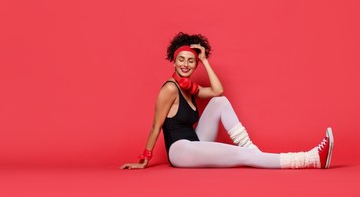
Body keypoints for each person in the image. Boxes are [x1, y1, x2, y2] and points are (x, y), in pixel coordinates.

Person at [120, 32, 334, 169]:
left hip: (196, 141)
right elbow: (156, 126)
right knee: (243, 156)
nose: (185, 65)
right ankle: (310, 159)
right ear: (174, 62)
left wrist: (204, 59)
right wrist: (145, 158)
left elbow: (217, 90)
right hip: (180, 151)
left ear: (195, 65)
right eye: (181, 60)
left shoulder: (190, 89)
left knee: (219, 101)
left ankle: (253, 151)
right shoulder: (169, 88)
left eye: (191, 61)